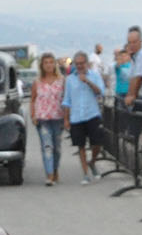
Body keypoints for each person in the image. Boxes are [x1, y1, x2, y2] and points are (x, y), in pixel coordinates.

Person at [64, 50, 108, 184]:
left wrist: (87, 81)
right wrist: (66, 119)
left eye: (82, 63)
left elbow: (100, 92)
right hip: (77, 116)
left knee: (97, 143)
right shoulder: (70, 80)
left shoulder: (94, 76)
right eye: (77, 64)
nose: (79, 66)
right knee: (80, 145)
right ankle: (85, 174)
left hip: (92, 114)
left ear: (86, 63)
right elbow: (67, 100)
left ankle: (92, 161)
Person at [29, 53, 66, 186]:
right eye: (46, 63)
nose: (49, 65)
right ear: (42, 65)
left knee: (57, 147)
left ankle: (55, 169)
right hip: (42, 118)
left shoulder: (62, 80)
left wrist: (67, 118)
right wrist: (33, 115)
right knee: (47, 146)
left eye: (51, 62)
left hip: (58, 117)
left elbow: (66, 99)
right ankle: (49, 174)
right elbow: (33, 99)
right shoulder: (37, 82)